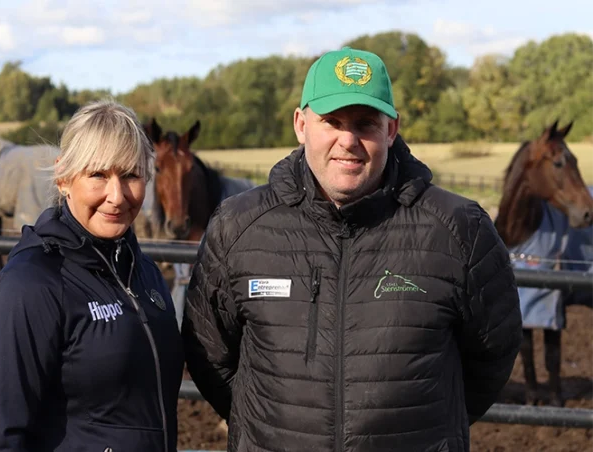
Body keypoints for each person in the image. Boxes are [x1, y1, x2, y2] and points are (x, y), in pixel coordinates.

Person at [181, 46, 523, 452]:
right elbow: (211, 356)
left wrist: (424, 429)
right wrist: (270, 429)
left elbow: (492, 354)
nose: (348, 140)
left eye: (365, 123)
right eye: (332, 121)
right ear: (301, 124)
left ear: (391, 129)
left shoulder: (458, 228)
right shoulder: (239, 226)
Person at [0, 99, 185, 451]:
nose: (116, 196)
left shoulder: (145, 274)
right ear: (63, 177)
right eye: (98, 175)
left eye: (131, 175)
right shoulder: (30, 286)